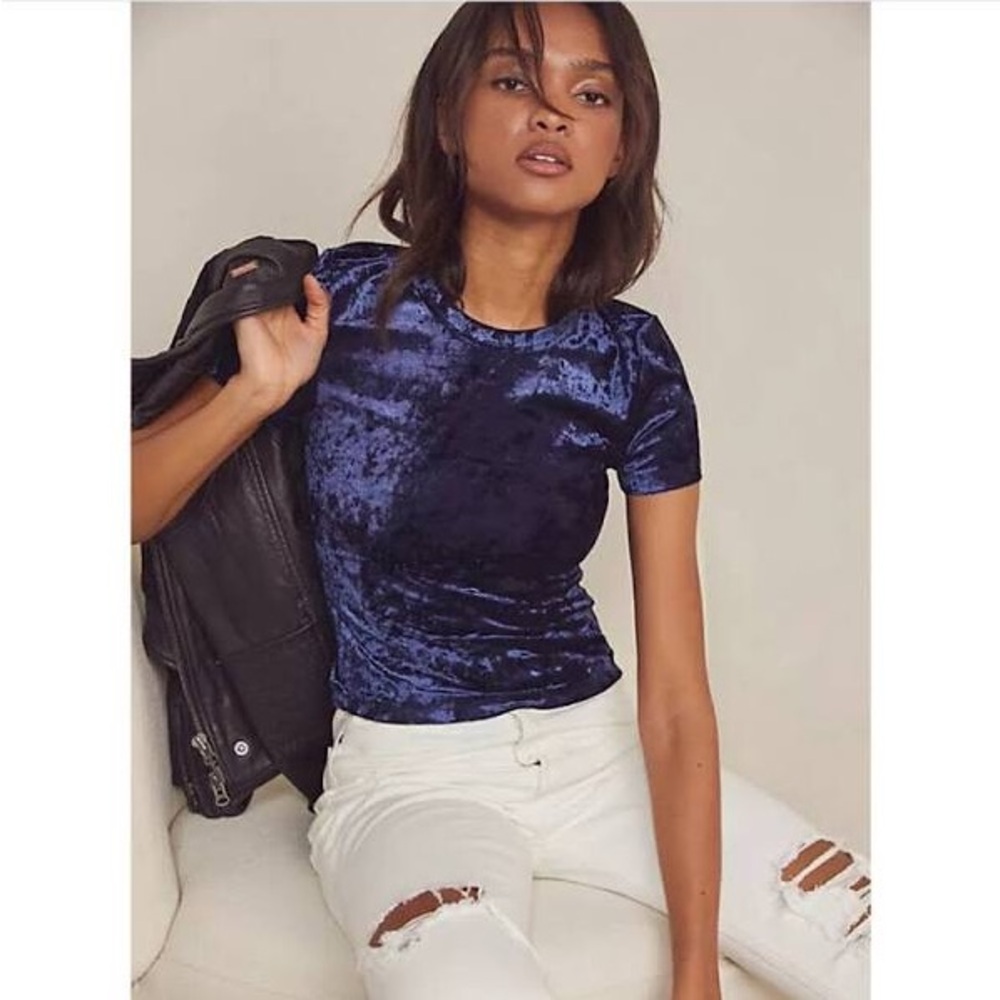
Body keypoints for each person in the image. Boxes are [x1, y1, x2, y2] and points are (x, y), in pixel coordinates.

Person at [132, 4, 869, 999]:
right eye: (515, 80)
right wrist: (257, 390)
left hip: (598, 752)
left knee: (869, 940)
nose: (553, 112)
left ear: (620, 148)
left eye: (591, 94)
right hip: (408, 779)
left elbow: (675, 696)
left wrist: (695, 970)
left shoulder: (631, 359)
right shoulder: (334, 304)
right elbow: (121, 507)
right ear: (448, 115)